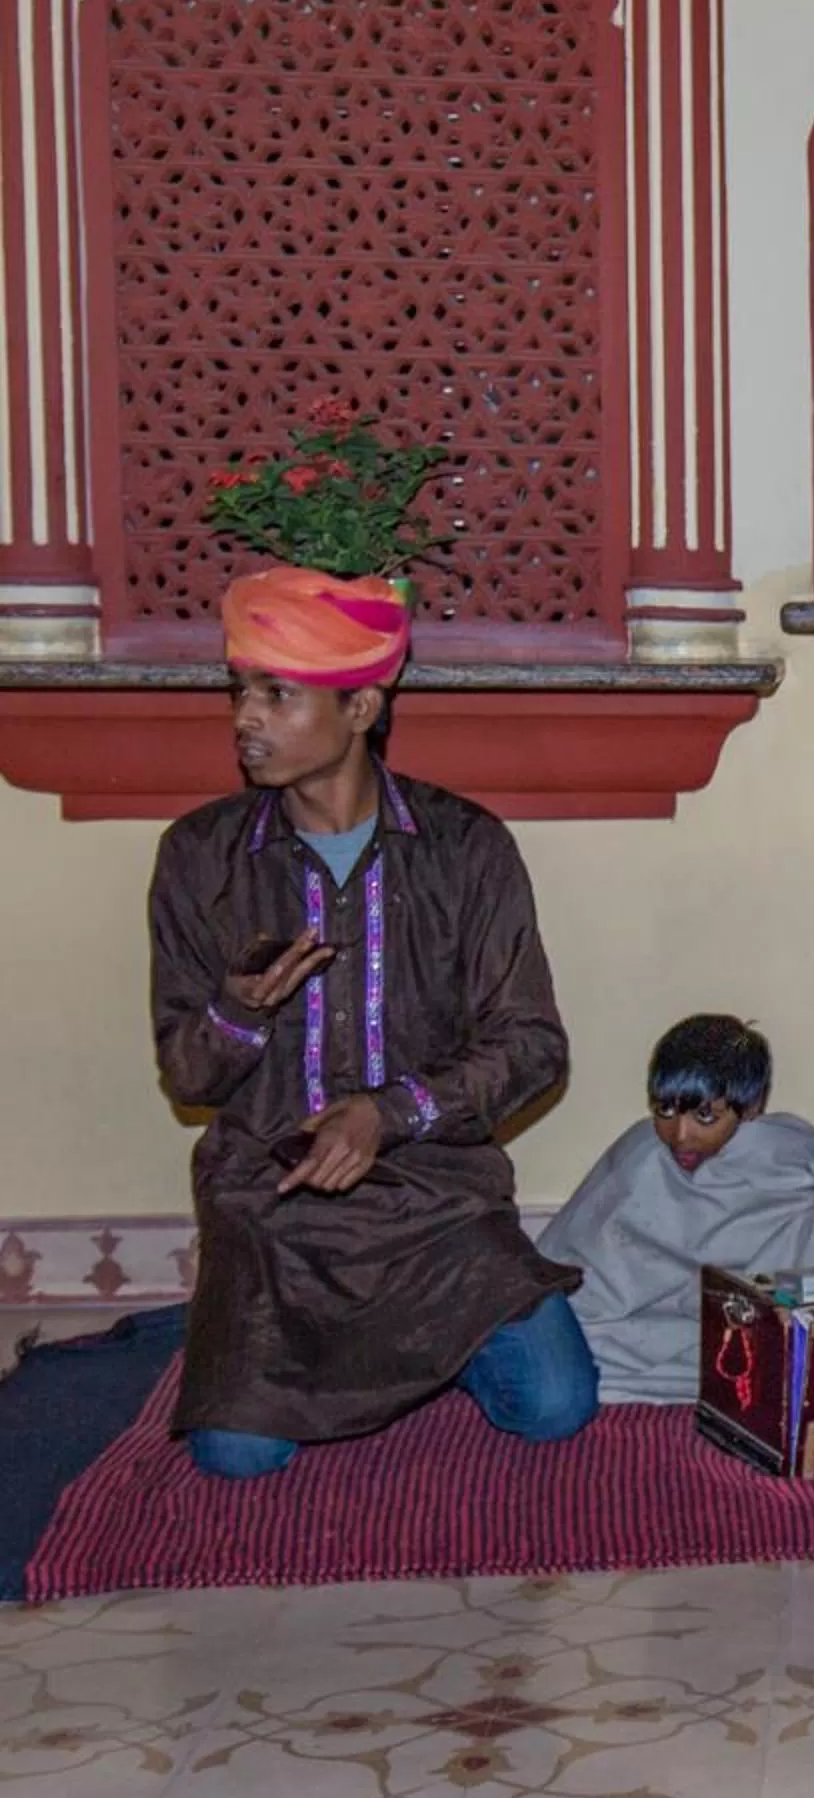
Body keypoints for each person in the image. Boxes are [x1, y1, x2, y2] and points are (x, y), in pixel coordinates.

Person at [147, 567, 594, 1479]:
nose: (246, 719)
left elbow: (534, 1046)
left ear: (362, 707)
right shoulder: (200, 858)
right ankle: (302, 1342)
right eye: (240, 692)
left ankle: (433, 1345)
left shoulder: (466, 848)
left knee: (554, 1408)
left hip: (437, 1199)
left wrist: (388, 1114)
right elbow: (188, 1078)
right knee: (236, 1456)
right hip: (273, 1207)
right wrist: (239, 1012)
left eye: (277, 694)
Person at [537, 1014, 814, 1402]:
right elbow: (575, 1276)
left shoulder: (783, 1151)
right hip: (638, 1329)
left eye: (704, 1117)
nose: (680, 1135)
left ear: (750, 1108)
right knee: (558, 1349)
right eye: (665, 1110)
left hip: (751, 1307)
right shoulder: (642, 1155)